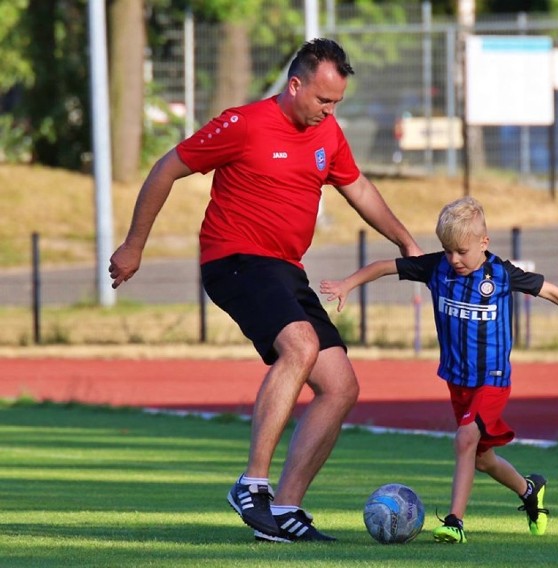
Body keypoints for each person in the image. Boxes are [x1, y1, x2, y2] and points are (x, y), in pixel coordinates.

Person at [108, 38, 422, 543]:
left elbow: (358, 188)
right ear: (295, 84)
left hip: (284, 269)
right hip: (233, 259)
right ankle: (251, 483)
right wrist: (133, 245)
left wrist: (406, 241)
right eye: (323, 100)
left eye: (337, 102)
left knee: (341, 386)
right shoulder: (244, 124)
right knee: (300, 344)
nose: (329, 111)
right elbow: (166, 167)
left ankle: (283, 510)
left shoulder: (328, 133)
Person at [320, 196, 558, 544]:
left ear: (484, 243)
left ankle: (454, 522)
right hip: (457, 380)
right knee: (482, 458)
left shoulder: (501, 274)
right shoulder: (437, 268)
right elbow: (384, 266)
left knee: (465, 439)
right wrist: (347, 284)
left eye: (462, 251)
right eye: (448, 250)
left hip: (492, 379)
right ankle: (529, 490)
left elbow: (550, 291)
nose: (454, 259)